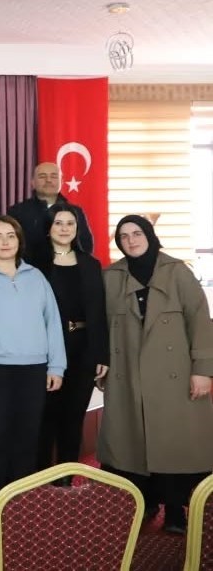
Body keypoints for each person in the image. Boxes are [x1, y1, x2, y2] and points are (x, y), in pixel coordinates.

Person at [98, 215, 213, 534]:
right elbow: (100, 325)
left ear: (149, 235)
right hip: (128, 377)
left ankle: (176, 510)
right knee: (131, 445)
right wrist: (100, 365)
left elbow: (200, 321)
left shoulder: (177, 272)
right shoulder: (111, 276)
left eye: (137, 233)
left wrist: (203, 371)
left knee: (175, 444)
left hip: (175, 376)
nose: (131, 240)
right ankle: (143, 503)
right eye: (124, 236)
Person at [0, 215, 66, 531]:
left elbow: (53, 322)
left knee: (27, 440)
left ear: (19, 240)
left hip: (34, 370)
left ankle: (22, 506)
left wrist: (56, 365)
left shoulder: (36, 278)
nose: (5, 242)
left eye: (10, 235)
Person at [35, 204, 109, 479]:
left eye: (70, 223)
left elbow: (99, 312)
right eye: (58, 223)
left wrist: (101, 354)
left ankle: (66, 478)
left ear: (78, 229)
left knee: (73, 417)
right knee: (46, 417)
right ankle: (42, 477)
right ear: (48, 228)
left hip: (83, 349)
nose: (64, 228)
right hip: (46, 349)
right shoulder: (35, 264)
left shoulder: (91, 264)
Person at [8, 162, 94, 264]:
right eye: (42, 176)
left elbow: (85, 246)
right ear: (33, 182)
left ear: (61, 181)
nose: (48, 180)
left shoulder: (75, 211)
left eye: (53, 176)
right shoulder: (17, 212)